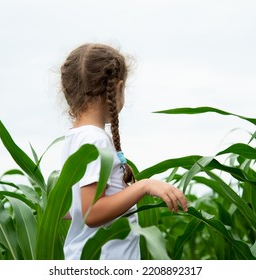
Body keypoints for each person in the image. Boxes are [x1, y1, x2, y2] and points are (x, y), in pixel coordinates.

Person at [58, 43, 188, 260]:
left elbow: (75, 208)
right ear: (117, 88)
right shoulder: (94, 140)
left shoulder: (75, 138)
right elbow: (92, 212)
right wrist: (144, 186)